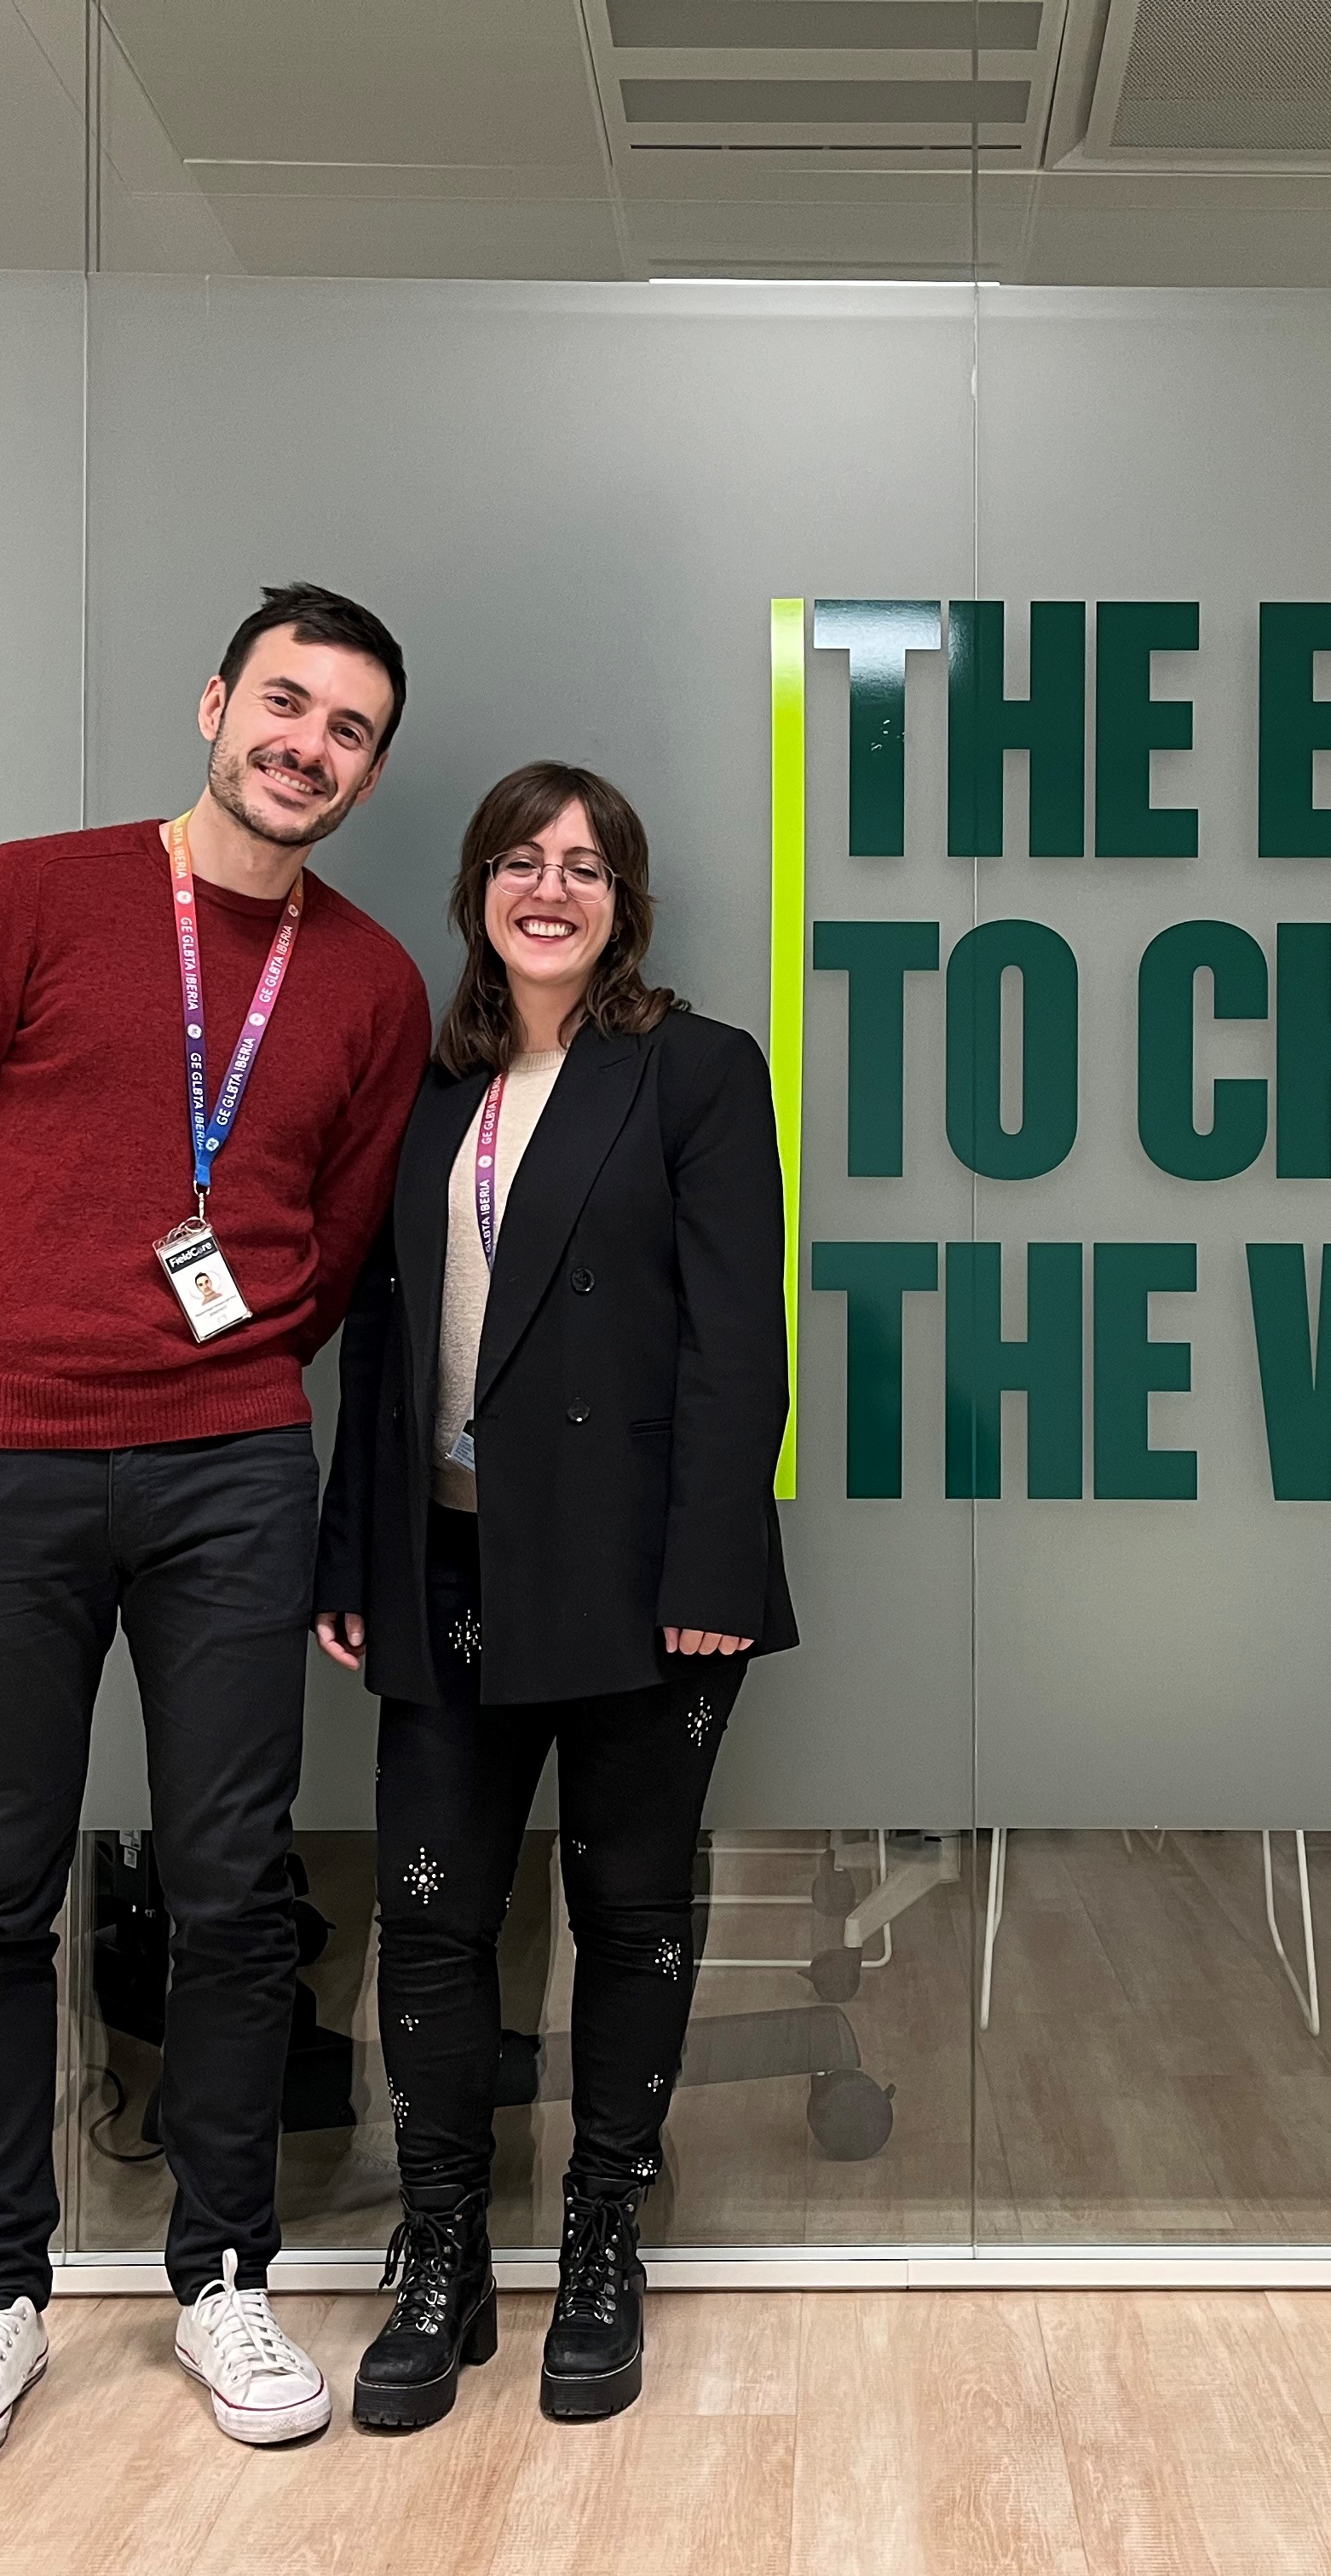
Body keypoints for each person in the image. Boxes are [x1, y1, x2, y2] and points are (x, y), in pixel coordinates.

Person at [0, 583, 430, 2474]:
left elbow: (331, 1253)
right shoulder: (19, 897)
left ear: (367, 772)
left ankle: (223, 2273)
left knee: (238, 1885)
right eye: (285, 704)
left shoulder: (371, 984)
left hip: (230, 1467)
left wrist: (215, 1384)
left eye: (348, 732)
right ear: (213, 704)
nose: (307, 748)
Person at [312, 761, 794, 2430]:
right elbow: (382, 1339)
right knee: (434, 1920)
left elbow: (742, 1347)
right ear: (479, 892)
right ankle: (439, 2252)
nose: (551, 886)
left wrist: (718, 1568)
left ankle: (602, 2240)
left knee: (632, 1916)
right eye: (522, 860)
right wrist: (351, 1552)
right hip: (444, 1562)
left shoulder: (695, 1075)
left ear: (623, 903)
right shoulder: (435, 1094)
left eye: (585, 866)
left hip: (644, 1580)